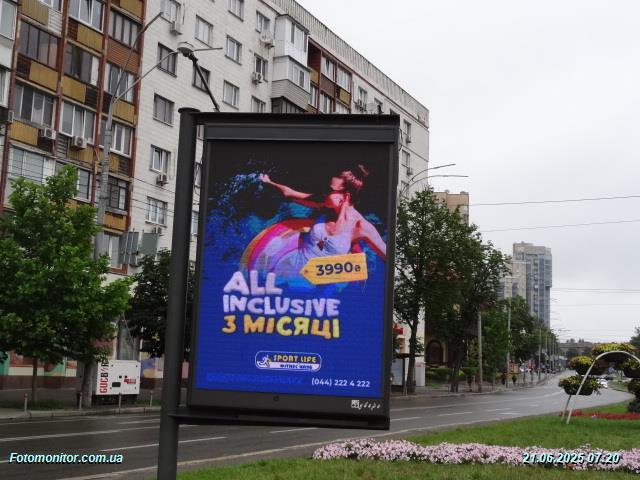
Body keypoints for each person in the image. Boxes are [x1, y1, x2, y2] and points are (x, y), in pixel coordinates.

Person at [259, 166, 386, 261]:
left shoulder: (361, 226)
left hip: (321, 285)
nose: (324, 192)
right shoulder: (324, 205)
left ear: (345, 197)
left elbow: (388, 257)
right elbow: (289, 193)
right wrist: (268, 182)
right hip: (295, 269)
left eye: (329, 190)